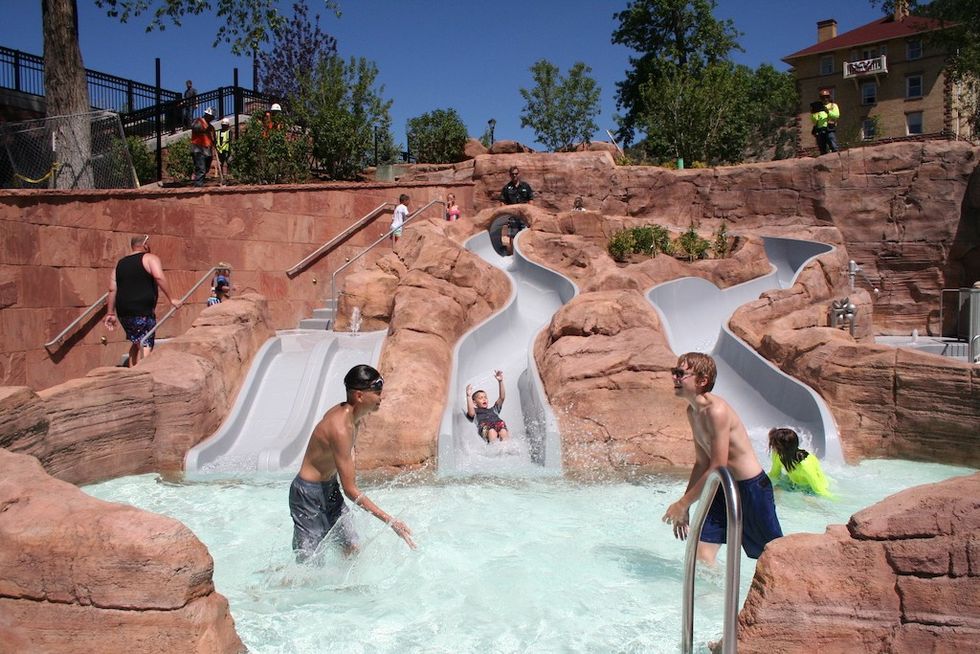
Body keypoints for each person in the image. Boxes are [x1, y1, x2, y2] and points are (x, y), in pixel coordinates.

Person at [661, 352, 783, 565]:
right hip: (722, 487)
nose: (674, 378)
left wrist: (682, 503)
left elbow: (718, 465)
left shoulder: (716, 411)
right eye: (674, 373)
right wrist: (686, 506)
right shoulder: (693, 412)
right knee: (701, 554)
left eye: (680, 373)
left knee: (770, 555)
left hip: (751, 488)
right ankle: (711, 597)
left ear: (702, 380)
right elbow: (702, 463)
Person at [289, 365, 415, 562]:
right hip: (307, 496)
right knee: (309, 565)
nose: (381, 398)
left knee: (351, 549)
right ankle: (273, 587)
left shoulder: (352, 416)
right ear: (359, 396)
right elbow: (350, 490)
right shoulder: (340, 428)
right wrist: (390, 521)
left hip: (329, 489)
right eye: (377, 393)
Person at [103, 235, 182, 367]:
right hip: (142, 309)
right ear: (145, 244)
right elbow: (158, 276)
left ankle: (132, 371)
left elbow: (112, 289)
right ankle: (143, 373)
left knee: (136, 341)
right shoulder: (150, 258)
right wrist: (171, 298)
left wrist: (110, 313)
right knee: (146, 342)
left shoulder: (119, 264)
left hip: (124, 311)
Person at [767, 428, 834, 498]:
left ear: (780, 448)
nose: (772, 447)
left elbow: (820, 490)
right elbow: (774, 475)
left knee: (808, 500)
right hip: (793, 483)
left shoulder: (805, 466)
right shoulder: (777, 455)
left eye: (773, 445)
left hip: (810, 487)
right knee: (774, 490)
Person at [465, 370, 509, 442]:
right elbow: (471, 413)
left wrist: (500, 382)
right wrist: (468, 396)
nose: (484, 399)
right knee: (492, 431)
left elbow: (502, 398)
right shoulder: (476, 411)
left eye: (485, 397)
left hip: (498, 424)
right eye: (480, 398)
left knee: (503, 431)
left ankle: (508, 448)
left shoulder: (493, 410)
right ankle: (495, 449)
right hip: (486, 428)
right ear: (475, 402)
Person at [190, 107, 216, 187]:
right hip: (198, 148)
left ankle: (198, 180)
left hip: (207, 150)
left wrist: (215, 141)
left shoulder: (211, 127)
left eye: (212, 117)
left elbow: (213, 139)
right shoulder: (198, 121)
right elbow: (195, 128)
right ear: (206, 115)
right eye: (210, 116)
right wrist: (205, 130)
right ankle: (198, 185)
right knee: (201, 168)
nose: (211, 118)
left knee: (206, 168)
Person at [810, 89, 840, 155]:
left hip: (829, 128)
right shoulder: (818, 107)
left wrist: (827, 111)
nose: (825, 99)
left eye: (826, 97)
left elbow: (836, 115)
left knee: (833, 145)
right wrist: (813, 113)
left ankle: (837, 159)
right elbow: (814, 120)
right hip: (820, 129)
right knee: (822, 148)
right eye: (823, 97)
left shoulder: (833, 105)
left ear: (829, 97)